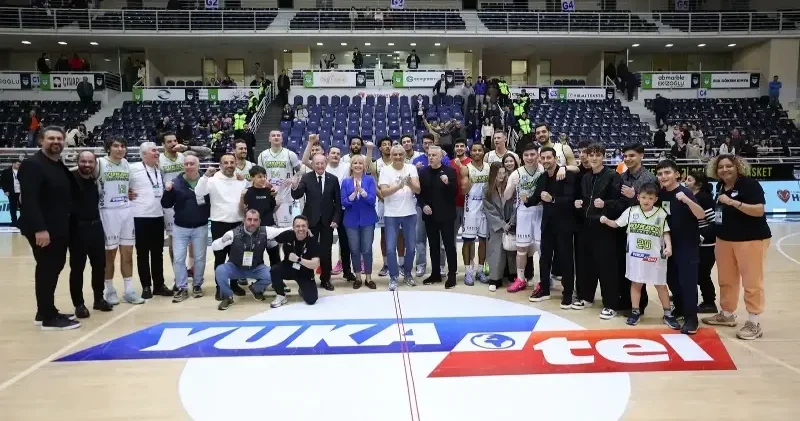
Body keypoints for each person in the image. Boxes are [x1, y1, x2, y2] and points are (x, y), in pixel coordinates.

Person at [701, 154, 771, 340]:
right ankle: (727, 314)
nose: (724, 170)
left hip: (751, 239)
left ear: (737, 167)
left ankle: (754, 322)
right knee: (726, 279)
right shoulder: (720, 186)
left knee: (752, 281)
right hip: (724, 240)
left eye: (728, 166)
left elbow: (759, 210)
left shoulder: (749, 185)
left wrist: (734, 202)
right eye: (720, 167)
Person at [19, 127, 81, 330]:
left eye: (59, 138)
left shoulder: (56, 164)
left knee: (53, 268)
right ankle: (47, 318)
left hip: (58, 227)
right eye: (51, 138)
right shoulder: (32, 165)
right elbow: (29, 201)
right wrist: (40, 229)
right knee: (47, 269)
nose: (56, 141)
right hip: (44, 229)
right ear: (41, 141)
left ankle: (45, 310)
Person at [600, 183, 679, 328]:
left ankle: (668, 314)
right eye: (643, 197)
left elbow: (665, 232)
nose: (646, 200)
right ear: (638, 197)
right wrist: (606, 221)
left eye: (650, 198)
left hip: (655, 257)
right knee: (636, 283)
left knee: (660, 285)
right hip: (636, 256)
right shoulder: (631, 211)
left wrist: (669, 246)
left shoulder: (661, 213)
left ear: (655, 199)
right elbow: (617, 224)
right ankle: (635, 312)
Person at [655, 159, 707, 335]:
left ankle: (692, 318)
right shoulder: (661, 195)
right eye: (660, 173)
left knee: (688, 282)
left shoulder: (685, 192)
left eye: (667, 172)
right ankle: (681, 309)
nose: (664, 176)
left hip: (687, 245)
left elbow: (701, 215)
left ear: (677, 174)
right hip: (669, 245)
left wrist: (687, 200)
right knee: (672, 281)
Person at [574, 143, 625, 318]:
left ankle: (611, 304)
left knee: (607, 267)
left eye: (597, 155)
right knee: (586, 264)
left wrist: (606, 205)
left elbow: (621, 203)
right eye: (591, 155)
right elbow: (583, 199)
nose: (594, 158)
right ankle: (586, 297)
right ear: (586, 157)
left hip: (605, 227)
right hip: (586, 226)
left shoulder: (613, 176)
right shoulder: (586, 178)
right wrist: (578, 204)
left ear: (603, 156)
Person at [526, 146, 578, 306]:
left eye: (549, 157)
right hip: (548, 224)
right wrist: (527, 200)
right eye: (544, 158)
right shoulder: (542, 177)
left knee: (566, 259)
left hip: (564, 224)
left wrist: (553, 199)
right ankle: (544, 289)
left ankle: (568, 293)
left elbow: (572, 200)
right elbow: (537, 197)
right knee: (544, 258)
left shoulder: (566, 175)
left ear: (555, 158)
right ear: (540, 160)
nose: (546, 160)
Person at [96, 139, 145, 306]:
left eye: (123, 146)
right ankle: (109, 290)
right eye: (116, 146)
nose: (120, 149)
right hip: (107, 212)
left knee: (128, 253)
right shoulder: (99, 163)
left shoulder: (126, 164)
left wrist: (130, 193)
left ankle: (129, 290)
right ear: (108, 148)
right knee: (109, 255)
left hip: (126, 211)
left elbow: (129, 187)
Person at [212, 209, 290, 311]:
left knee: (273, 273)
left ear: (259, 221)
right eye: (249, 219)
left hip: (256, 267)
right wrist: (221, 241)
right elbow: (214, 246)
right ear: (244, 220)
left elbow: (283, 231)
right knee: (220, 270)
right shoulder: (233, 234)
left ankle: (255, 288)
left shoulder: (265, 231)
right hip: (236, 267)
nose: (252, 223)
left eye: (255, 220)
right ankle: (228, 297)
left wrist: (302, 228)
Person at [195, 154, 248, 300]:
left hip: (238, 223)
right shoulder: (212, 181)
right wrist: (205, 176)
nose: (229, 165)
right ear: (220, 165)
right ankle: (220, 287)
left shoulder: (241, 180)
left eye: (232, 162)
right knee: (220, 258)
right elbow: (198, 193)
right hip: (219, 224)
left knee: (236, 258)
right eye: (226, 162)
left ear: (236, 163)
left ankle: (234, 284)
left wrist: (246, 180)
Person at [69, 151, 113, 318]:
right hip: (77, 229)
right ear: (77, 161)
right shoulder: (70, 178)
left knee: (99, 266)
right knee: (77, 268)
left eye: (90, 162)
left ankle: (98, 299)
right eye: (83, 161)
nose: (87, 165)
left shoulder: (96, 180)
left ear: (95, 163)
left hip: (96, 227)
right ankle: (79, 304)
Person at [161, 153, 209, 302]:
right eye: (186, 164)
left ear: (198, 165)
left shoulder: (207, 181)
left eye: (192, 164)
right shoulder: (176, 183)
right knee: (179, 259)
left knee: (200, 259)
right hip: (180, 227)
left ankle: (197, 285)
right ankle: (182, 287)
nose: (189, 166)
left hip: (200, 226)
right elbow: (166, 204)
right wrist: (168, 191)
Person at [291, 152, 341, 291]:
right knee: (309, 251)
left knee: (326, 252)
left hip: (327, 222)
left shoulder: (333, 179)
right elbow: (297, 194)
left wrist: (336, 219)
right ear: (312, 164)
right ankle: (308, 279)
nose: (319, 166)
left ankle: (326, 279)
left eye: (322, 163)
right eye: (316, 163)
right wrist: (294, 186)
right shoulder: (306, 178)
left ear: (326, 163)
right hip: (310, 222)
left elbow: (337, 202)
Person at [618, 143, 658, 316]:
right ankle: (627, 301)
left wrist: (633, 197)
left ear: (641, 155)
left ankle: (640, 305)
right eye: (625, 156)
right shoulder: (622, 176)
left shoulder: (649, 178)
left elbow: (651, 205)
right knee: (626, 266)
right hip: (625, 227)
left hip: (643, 230)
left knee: (640, 268)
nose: (627, 159)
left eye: (631, 155)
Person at [129, 142, 169, 299]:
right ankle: (146, 286)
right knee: (142, 253)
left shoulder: (159, 169)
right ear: (144, 154)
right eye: (153, 150)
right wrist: (126, 192)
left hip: (158, 216)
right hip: (140, 217)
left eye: (157, 150)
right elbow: (122, 185)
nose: (157, 152)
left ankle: (159, 285)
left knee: (158, 253)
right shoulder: (133, 168)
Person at [378, 144, 421, 291]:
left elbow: (418, 189)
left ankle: (408, 274)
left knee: (411, 247)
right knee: (390, 248)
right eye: (395, 154)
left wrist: (409, 183)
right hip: (391, 214)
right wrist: (399, 186)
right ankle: (394, 277)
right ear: (390, 156)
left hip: (409, 213)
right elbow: (383, 193)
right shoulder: (385, 170)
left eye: (400, 154)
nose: (397, 157)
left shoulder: (412, 168)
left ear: (404, 156)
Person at [417, 146, 459, 289]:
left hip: (446, 215)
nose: (431, 157)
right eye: (429, 155)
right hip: (430, 215)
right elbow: (418, 193)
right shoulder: (423, 172)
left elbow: (455, 193)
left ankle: (452, 274)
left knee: (449, 246)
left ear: (440, 157)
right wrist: (422, 205)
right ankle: (435, 273)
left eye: (434, 155)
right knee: (433, 246)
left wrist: (447, 183)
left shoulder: (450, 172)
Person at [505, 145, 543, 293]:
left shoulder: (543, 169)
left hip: (541, 211)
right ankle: (521, 279)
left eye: (532, 154)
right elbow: (507, 197)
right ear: (522, 157)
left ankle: (541, 280)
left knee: (542, 248)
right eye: (526, 155)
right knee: (521, 248)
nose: (529, 158)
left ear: (537, 155)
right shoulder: (516, 174)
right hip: (523, 212)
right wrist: (511, 186)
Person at [340, 155, 378, 289]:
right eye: (355, 163)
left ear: (364, 166)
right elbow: (344, 202)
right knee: (354, 250)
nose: (357, 165)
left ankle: (368, 277)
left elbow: (372, 200)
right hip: (351, 221)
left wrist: (361, 191)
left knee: (367, 250)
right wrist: (353, 195)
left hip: (368, 220)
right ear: (351, 166)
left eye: (360, 163)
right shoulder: (345, 182)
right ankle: (357, 277)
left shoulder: (370, 180)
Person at [269, 215, 321, 308]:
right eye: (297, 226)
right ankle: (281, 295)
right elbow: (272, 236)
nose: (301, 229)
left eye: (303, 226)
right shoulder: (288, 235)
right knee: (274, 270)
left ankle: (302, 289)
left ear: (307, 227)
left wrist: (298, 259)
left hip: (305, 271)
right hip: (288, 267)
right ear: (293, 227)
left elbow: (315, 264)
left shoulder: (312, 241)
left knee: (311, 300)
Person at [686, 171, 718, 314]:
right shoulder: (692, 196)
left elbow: (714, 222)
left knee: (703, 274)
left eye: (689, 180)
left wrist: (701, 236)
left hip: (706, 244)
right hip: (695, 242)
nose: (686, 182)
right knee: (696, 273)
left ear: (698, 183)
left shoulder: (704, 198)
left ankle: (710, 302)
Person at [458, 143, 489, 285]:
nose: (477, 152)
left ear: (483, 152)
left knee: (483, 241)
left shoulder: (489, 167)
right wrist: (470, 182)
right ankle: (468, 272)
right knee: (468, 241)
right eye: (474, 150)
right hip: (470, 208)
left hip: (485, 208)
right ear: (471, 152)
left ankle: (480, 270)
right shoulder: (466, 168)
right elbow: (463, 191)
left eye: (479, 150)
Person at [257, 130, 302, 228]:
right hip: (268, 195)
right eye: (273, 136)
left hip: (285, 196)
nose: (276, 137)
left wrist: (292, 179)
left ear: (282, 139)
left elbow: (300, 171)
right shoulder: (262, 155)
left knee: (285, 229)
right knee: (268, 228)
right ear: (269, 139)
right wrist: (264, 182)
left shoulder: (290, 154)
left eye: (278, 135)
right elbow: (259, 174)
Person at [483, 162, 516, 292]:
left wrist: (511, 222)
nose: (502, 176)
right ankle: (495, 279)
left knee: (511, 252)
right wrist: (502, 224)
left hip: (510, 223)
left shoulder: (510, 186)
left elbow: (515, 205)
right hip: (496, 226)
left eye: (503, 173)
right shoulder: (486, 189)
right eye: (499, 174)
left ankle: (512, 276)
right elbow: (489, 210)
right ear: (493, 174)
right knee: (496, 252)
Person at [158, 132, 186, 288]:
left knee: (189, 239)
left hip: (185, 201)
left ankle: (186, 269)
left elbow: (206, 151)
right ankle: (178, 275)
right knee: (174, 240)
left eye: (175, 140)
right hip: (169, 203)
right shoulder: (159, 160)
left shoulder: (183, 157)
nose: (173, 143)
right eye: (169, 141)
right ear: (163, 144)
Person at [241, 166, 281, 266]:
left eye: (264, 176)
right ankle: (258, 278)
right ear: (252, 178)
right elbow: (243, 210)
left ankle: (277, 279)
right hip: (253, 229)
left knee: (275, 256)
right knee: (255, 257)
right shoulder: (248, 192)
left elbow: (273, 209)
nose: (263, 179)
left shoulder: (269, 192)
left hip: (269, 227)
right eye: (259, 177)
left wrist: (276, 199)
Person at [1, 159, 21, 228]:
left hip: (21, 193)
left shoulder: (22, 172)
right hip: (12, 192)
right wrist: (5, 190)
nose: (19, 166)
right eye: (18, 164)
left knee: (24, 208)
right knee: (13, 208)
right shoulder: (6, 172)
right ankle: (14, 222)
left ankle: (21, 222)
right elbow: (3, 182)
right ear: (13, 164)